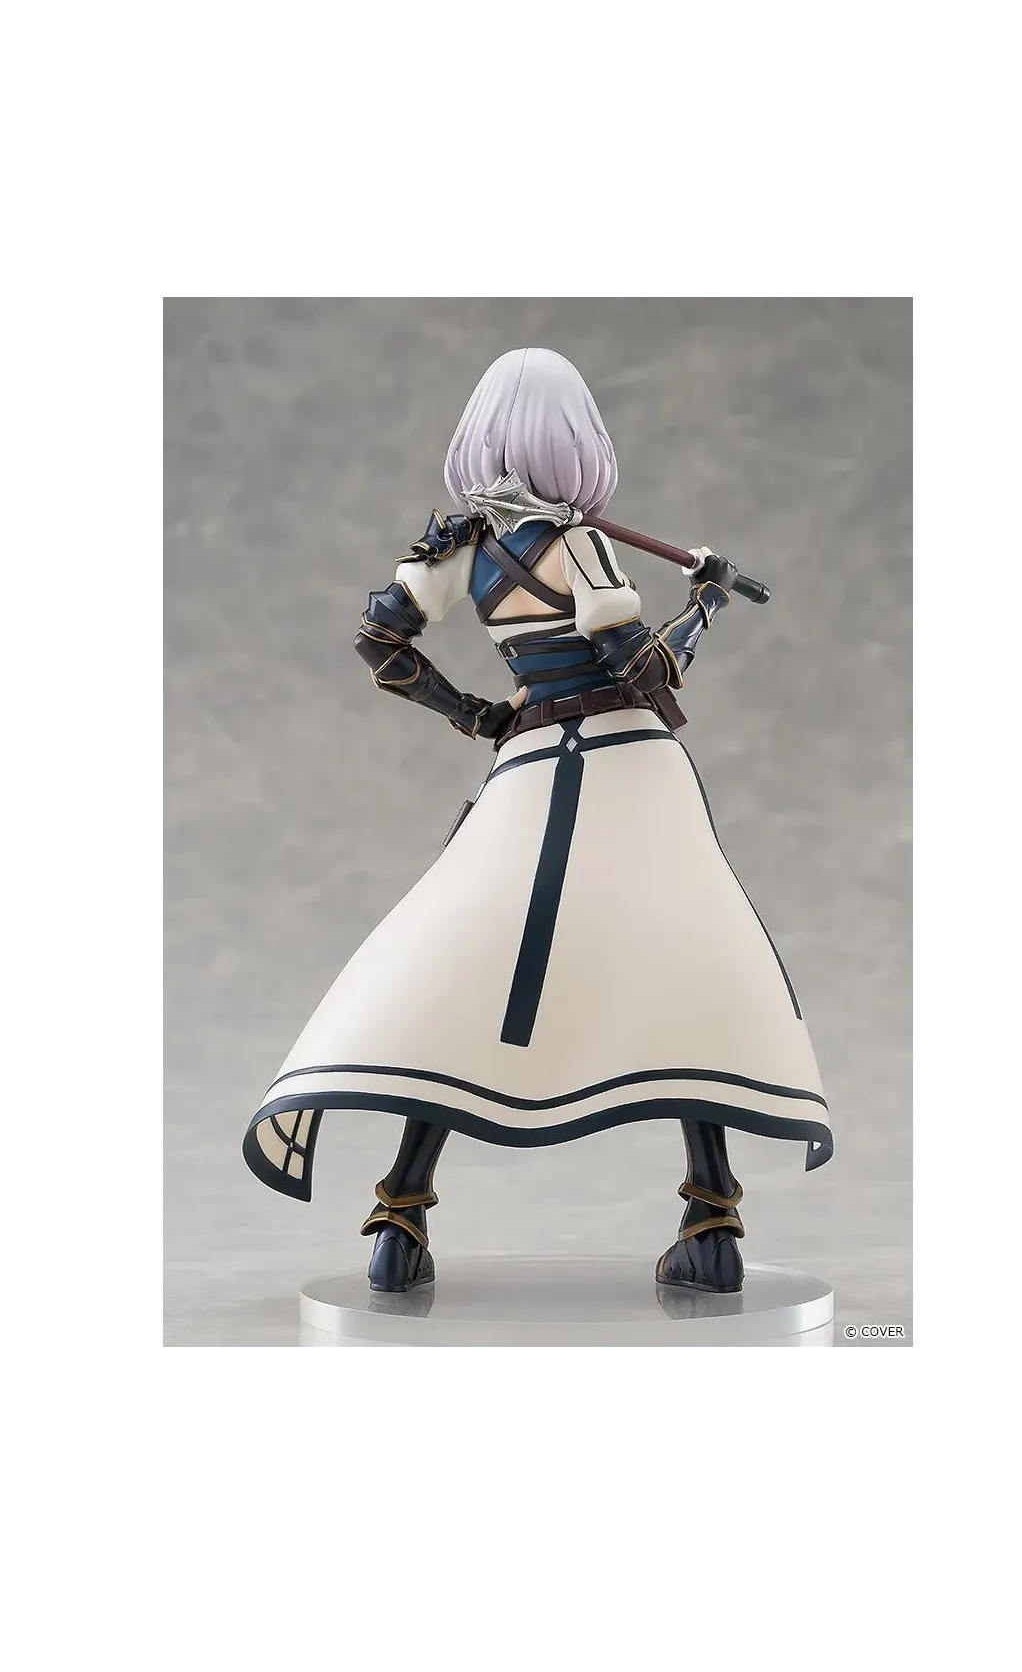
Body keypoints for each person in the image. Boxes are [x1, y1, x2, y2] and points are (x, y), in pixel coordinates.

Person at [243, 347, 831, 1294]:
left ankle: (400, 1212)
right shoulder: (580, 547)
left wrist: (479, 714)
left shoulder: (458, 551)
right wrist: (707, 603)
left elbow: (379, 640)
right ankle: (713, 1214)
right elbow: (647, 674)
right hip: (629, 765)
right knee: (691, 957)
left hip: (529, 764)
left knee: (471, 957)